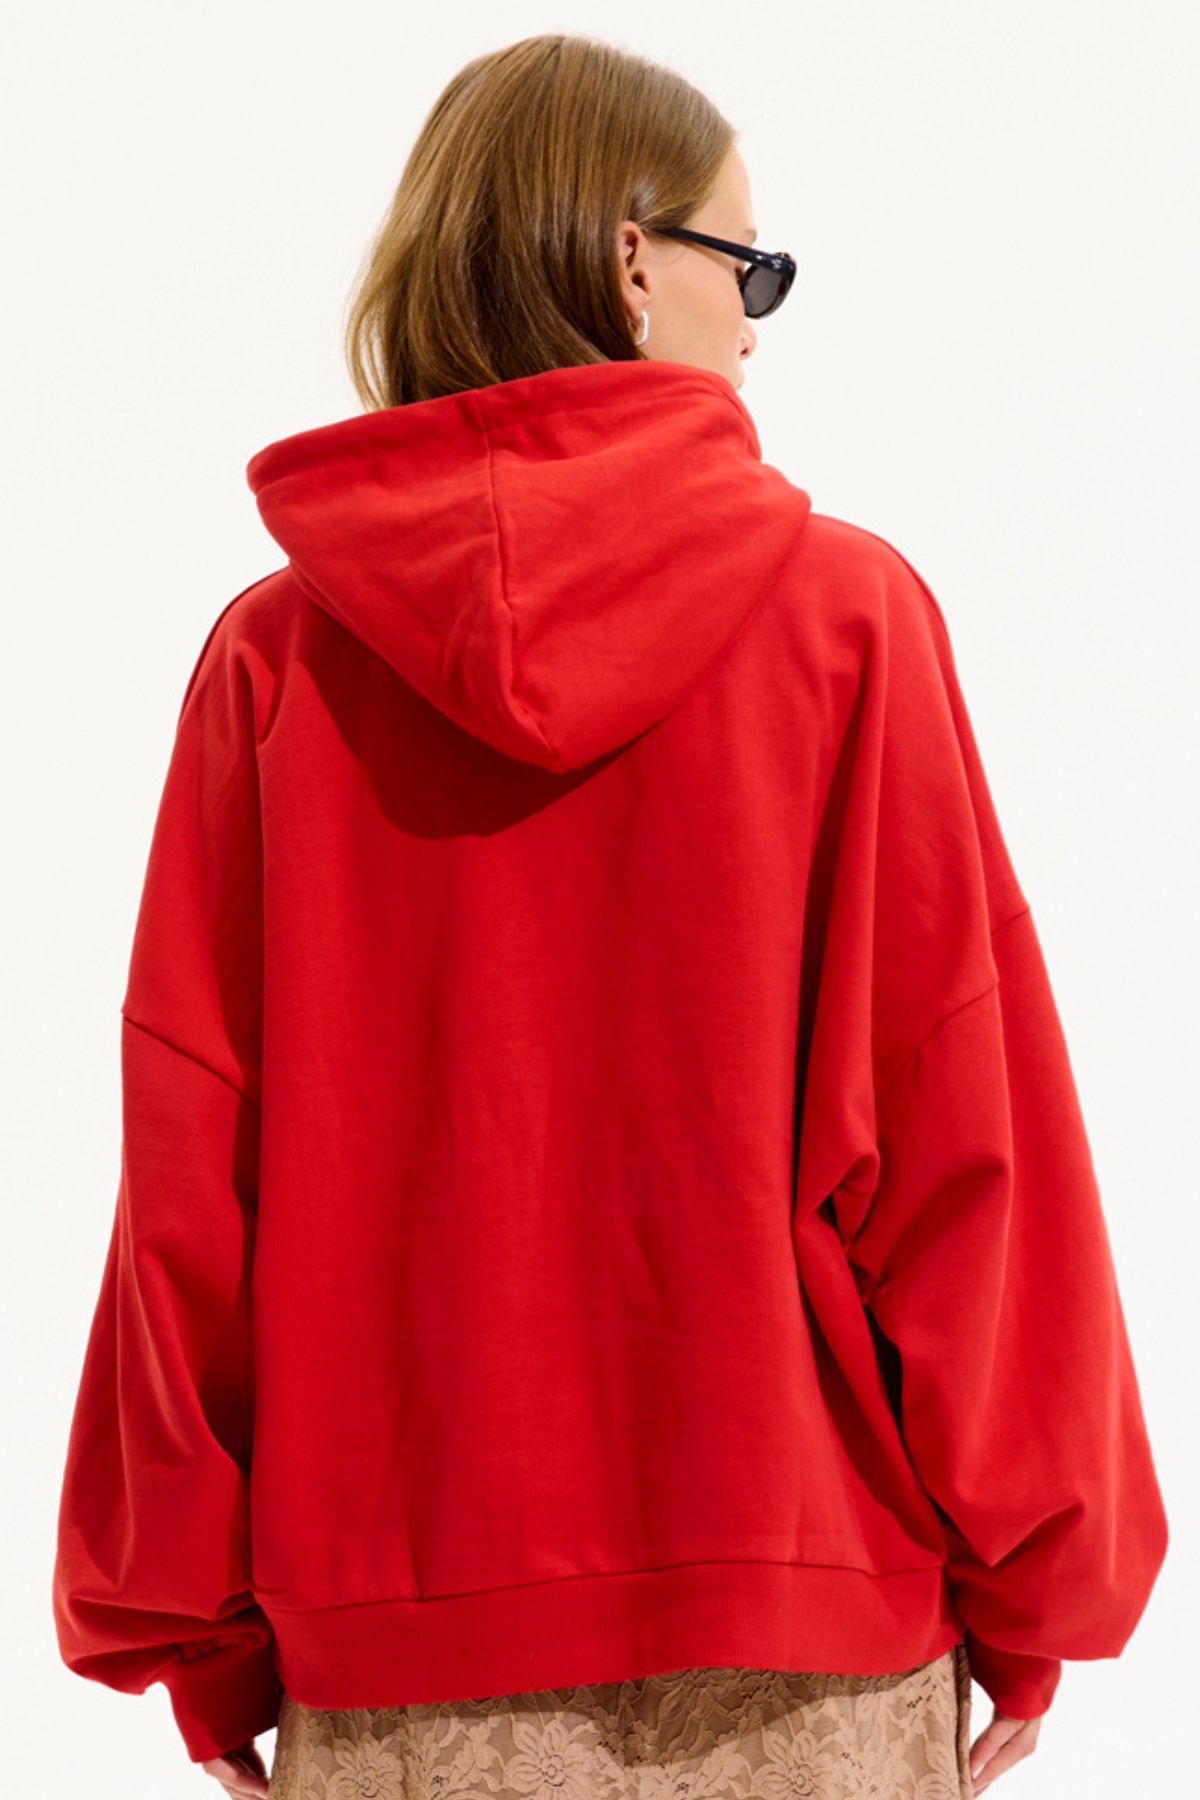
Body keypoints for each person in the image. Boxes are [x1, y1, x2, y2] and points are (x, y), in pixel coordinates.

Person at [51, 31, 1168, 1800]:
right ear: (635, 261)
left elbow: (198, 1176)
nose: (758, 328)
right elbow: (964, 1135)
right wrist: (1046, 1583)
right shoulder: (844, 623)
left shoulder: (277, 666)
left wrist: (197, 1638)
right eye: (753, 270)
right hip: (803, 1655)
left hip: (403, 1674)